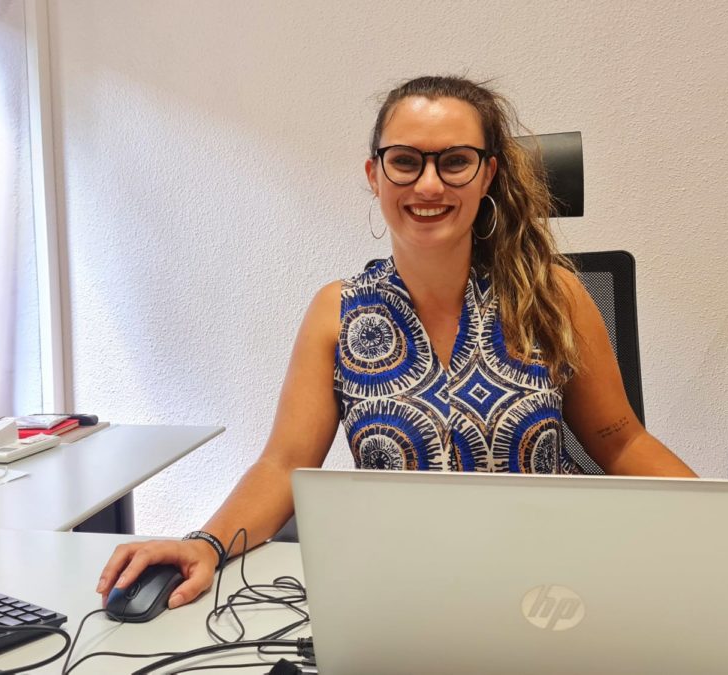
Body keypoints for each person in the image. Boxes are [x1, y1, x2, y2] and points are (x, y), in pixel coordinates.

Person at [96, 75, 696, 610]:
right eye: (405, 161)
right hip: (403, 590)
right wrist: (204, 544)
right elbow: (283, 465)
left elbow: (622, 442)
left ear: (487, 174)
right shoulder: (337, 313)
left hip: (550, 586)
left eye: (455, 161)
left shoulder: (551, 295)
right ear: (374, 175)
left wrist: (727, 528)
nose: (429, 184)